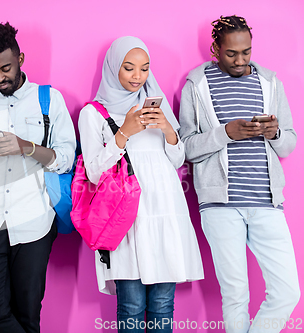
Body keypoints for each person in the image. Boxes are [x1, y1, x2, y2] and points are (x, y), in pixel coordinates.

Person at [178, 15, 300, 333]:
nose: (241, 60)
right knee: (235, 296)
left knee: (288, 291)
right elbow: (186, 148)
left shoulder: (270, 82)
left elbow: (288, 144)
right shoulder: (197, 85)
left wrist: (274, 133)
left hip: (266, 200)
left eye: (246, 52)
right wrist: (226, 133)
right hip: (220, 204)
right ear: (215, 49)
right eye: (232, 53)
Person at [0, 22, 76, 333]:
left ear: (20, 58)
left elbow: (65, 160)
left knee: (26, 314)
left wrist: (27, 147)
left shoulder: (49, 100)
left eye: (5, 68)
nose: (0, 78)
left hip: (33, 220)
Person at [78, 36, 204, 333]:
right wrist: (123, 133)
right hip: (125, 217)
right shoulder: (92, 114)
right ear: (113, 68)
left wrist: (167, 130)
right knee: (131, 306)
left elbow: (177, 159)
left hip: (165, 211)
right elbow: (94, 172)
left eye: (145, 69)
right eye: (129, 68)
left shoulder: (155, 103)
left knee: (163, 305)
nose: (138, 77)